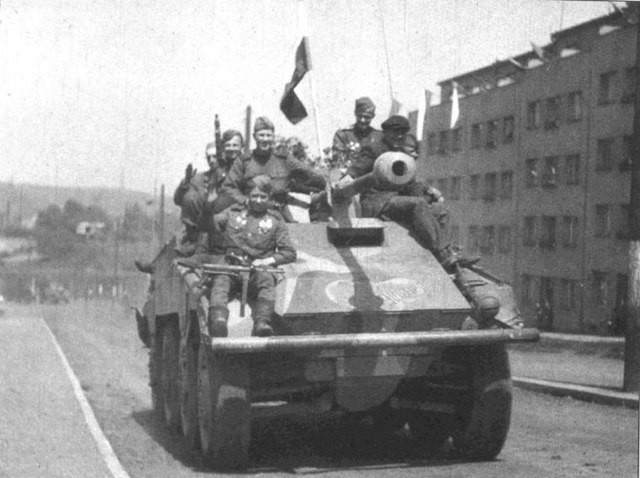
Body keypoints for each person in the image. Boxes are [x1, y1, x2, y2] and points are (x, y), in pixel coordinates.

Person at [343, 114, 462, 268]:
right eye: (395, 131)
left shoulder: (402, 156)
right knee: (417, 204)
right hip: (377, 202)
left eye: (403, 133)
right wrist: (348, 176)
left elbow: (409, 184)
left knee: (440, 210)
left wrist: (429, 194)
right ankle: (442, 253)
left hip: (396, 201)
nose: (399, 136)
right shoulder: (374, 150)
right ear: (385, 132)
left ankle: (450, 252)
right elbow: (358, 168)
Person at [204, 175, 297, 337]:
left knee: (267, 282)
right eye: (255, 196)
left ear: (269, 198)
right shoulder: (233, 212)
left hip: (257, 269)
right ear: (248, 196)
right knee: (220, 283)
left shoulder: (275, 219)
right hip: (231, 265)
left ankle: (262, 322)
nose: (259, 200)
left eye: (263, 197)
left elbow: (289, 252)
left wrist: (266, 261)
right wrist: (208, 206)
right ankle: (218, 321)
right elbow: (209, 225)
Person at [221, 116, 326, 221]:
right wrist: (245, 200)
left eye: (268, 135)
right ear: (254, 137)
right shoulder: (244, 161)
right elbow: (228, 187)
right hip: (251, 214)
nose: (265, 139)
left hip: (280, 214)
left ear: (273, 137)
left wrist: (322, 185)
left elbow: (310, 175)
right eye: (261, 135)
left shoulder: (284, 159)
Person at [173, 131, 243, 255]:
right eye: (208, 157)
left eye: (215, 156)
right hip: (200, 226)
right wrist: (185, 183)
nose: (211, 160)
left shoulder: (235, 170)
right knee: (190, 198)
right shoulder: (201, 178)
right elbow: (178, 200)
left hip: (227, 218)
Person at [332, 97, 383, 170]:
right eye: (360, 116)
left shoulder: (379, 136)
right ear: (355, 113)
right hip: (350, 178)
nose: (363, 120)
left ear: (373, 116)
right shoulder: (343, 135)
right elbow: (339, 163)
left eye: (367, 117)